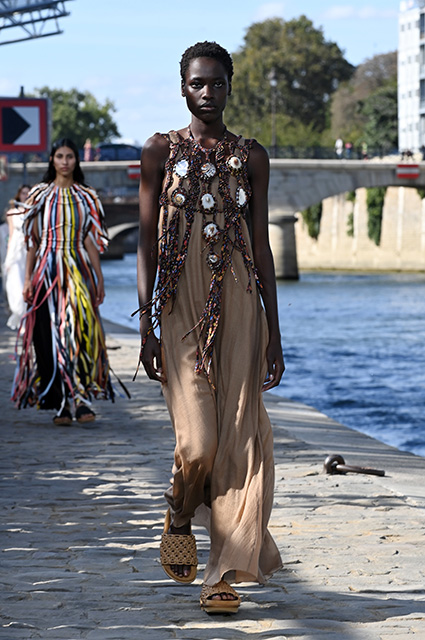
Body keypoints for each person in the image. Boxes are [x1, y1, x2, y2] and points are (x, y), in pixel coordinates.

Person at [136, 41, 285, 613]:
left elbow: (263, 246)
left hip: (242, 302)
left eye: (218, 83)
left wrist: (274, 330)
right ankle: (179, 507)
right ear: (183, 88)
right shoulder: (158, 151)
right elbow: (146, 242)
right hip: (178, 306)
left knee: (240, 439)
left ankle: (221, 572)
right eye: (198, 83)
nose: (208, 92)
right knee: (198, 442)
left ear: (229, 87)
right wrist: (149, 324)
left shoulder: (251, 156)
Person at [12, 138, 114, 425]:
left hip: (78, 273)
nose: (65, 161)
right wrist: (28, 279)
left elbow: (91, 241)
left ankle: (81, 399)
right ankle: (59, 403)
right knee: (50, 336)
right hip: (46, 272)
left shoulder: (87, 197)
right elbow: (32, 242)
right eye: (60, 156)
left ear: (76, 161)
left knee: (79, 333)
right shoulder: (39, 195)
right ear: (52, 160)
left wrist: (99, 279)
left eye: (70, 156)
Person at [4, 184, 31, 330]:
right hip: (16, 252)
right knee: (16, 286)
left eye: (28, 193)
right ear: (19, 195)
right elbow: (12, 235)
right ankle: (20, 316)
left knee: (27, 287)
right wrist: (8, 258)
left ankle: (27, 319)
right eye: (23, 193)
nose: (25, 196)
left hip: (28, 253)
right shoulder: (12, 213)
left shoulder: (33, 211)